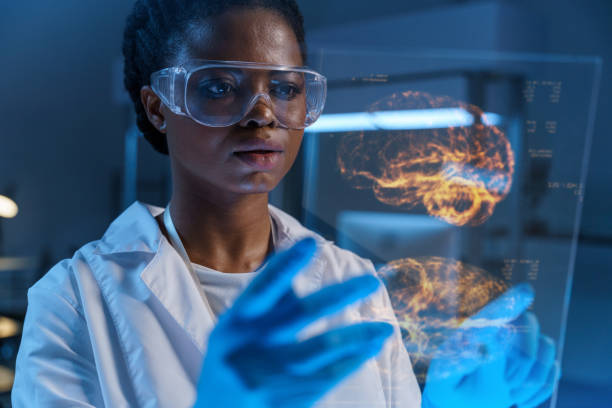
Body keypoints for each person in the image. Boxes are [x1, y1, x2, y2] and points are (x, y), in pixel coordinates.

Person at [11, 0, 559, 407]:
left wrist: (449, 402)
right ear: (158, 108)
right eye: (221, 87)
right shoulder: (73, 300)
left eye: (285, 88)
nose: (263, 114)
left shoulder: (352, 280)